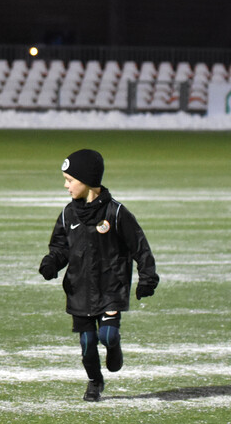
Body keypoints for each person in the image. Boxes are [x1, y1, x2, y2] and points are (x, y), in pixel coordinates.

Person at [38, 149, 160, 402]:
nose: (65, 185)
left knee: (107, 335)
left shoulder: (115, 213)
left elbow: (140, 246)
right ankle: (95, 382)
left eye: (70, 180)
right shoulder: (68, 214)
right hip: (79, 289)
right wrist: (52, 262)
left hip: (110, 288)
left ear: (87, 180)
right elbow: (60, 248)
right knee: (87, 345)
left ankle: (114, 349)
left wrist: (147, 277)